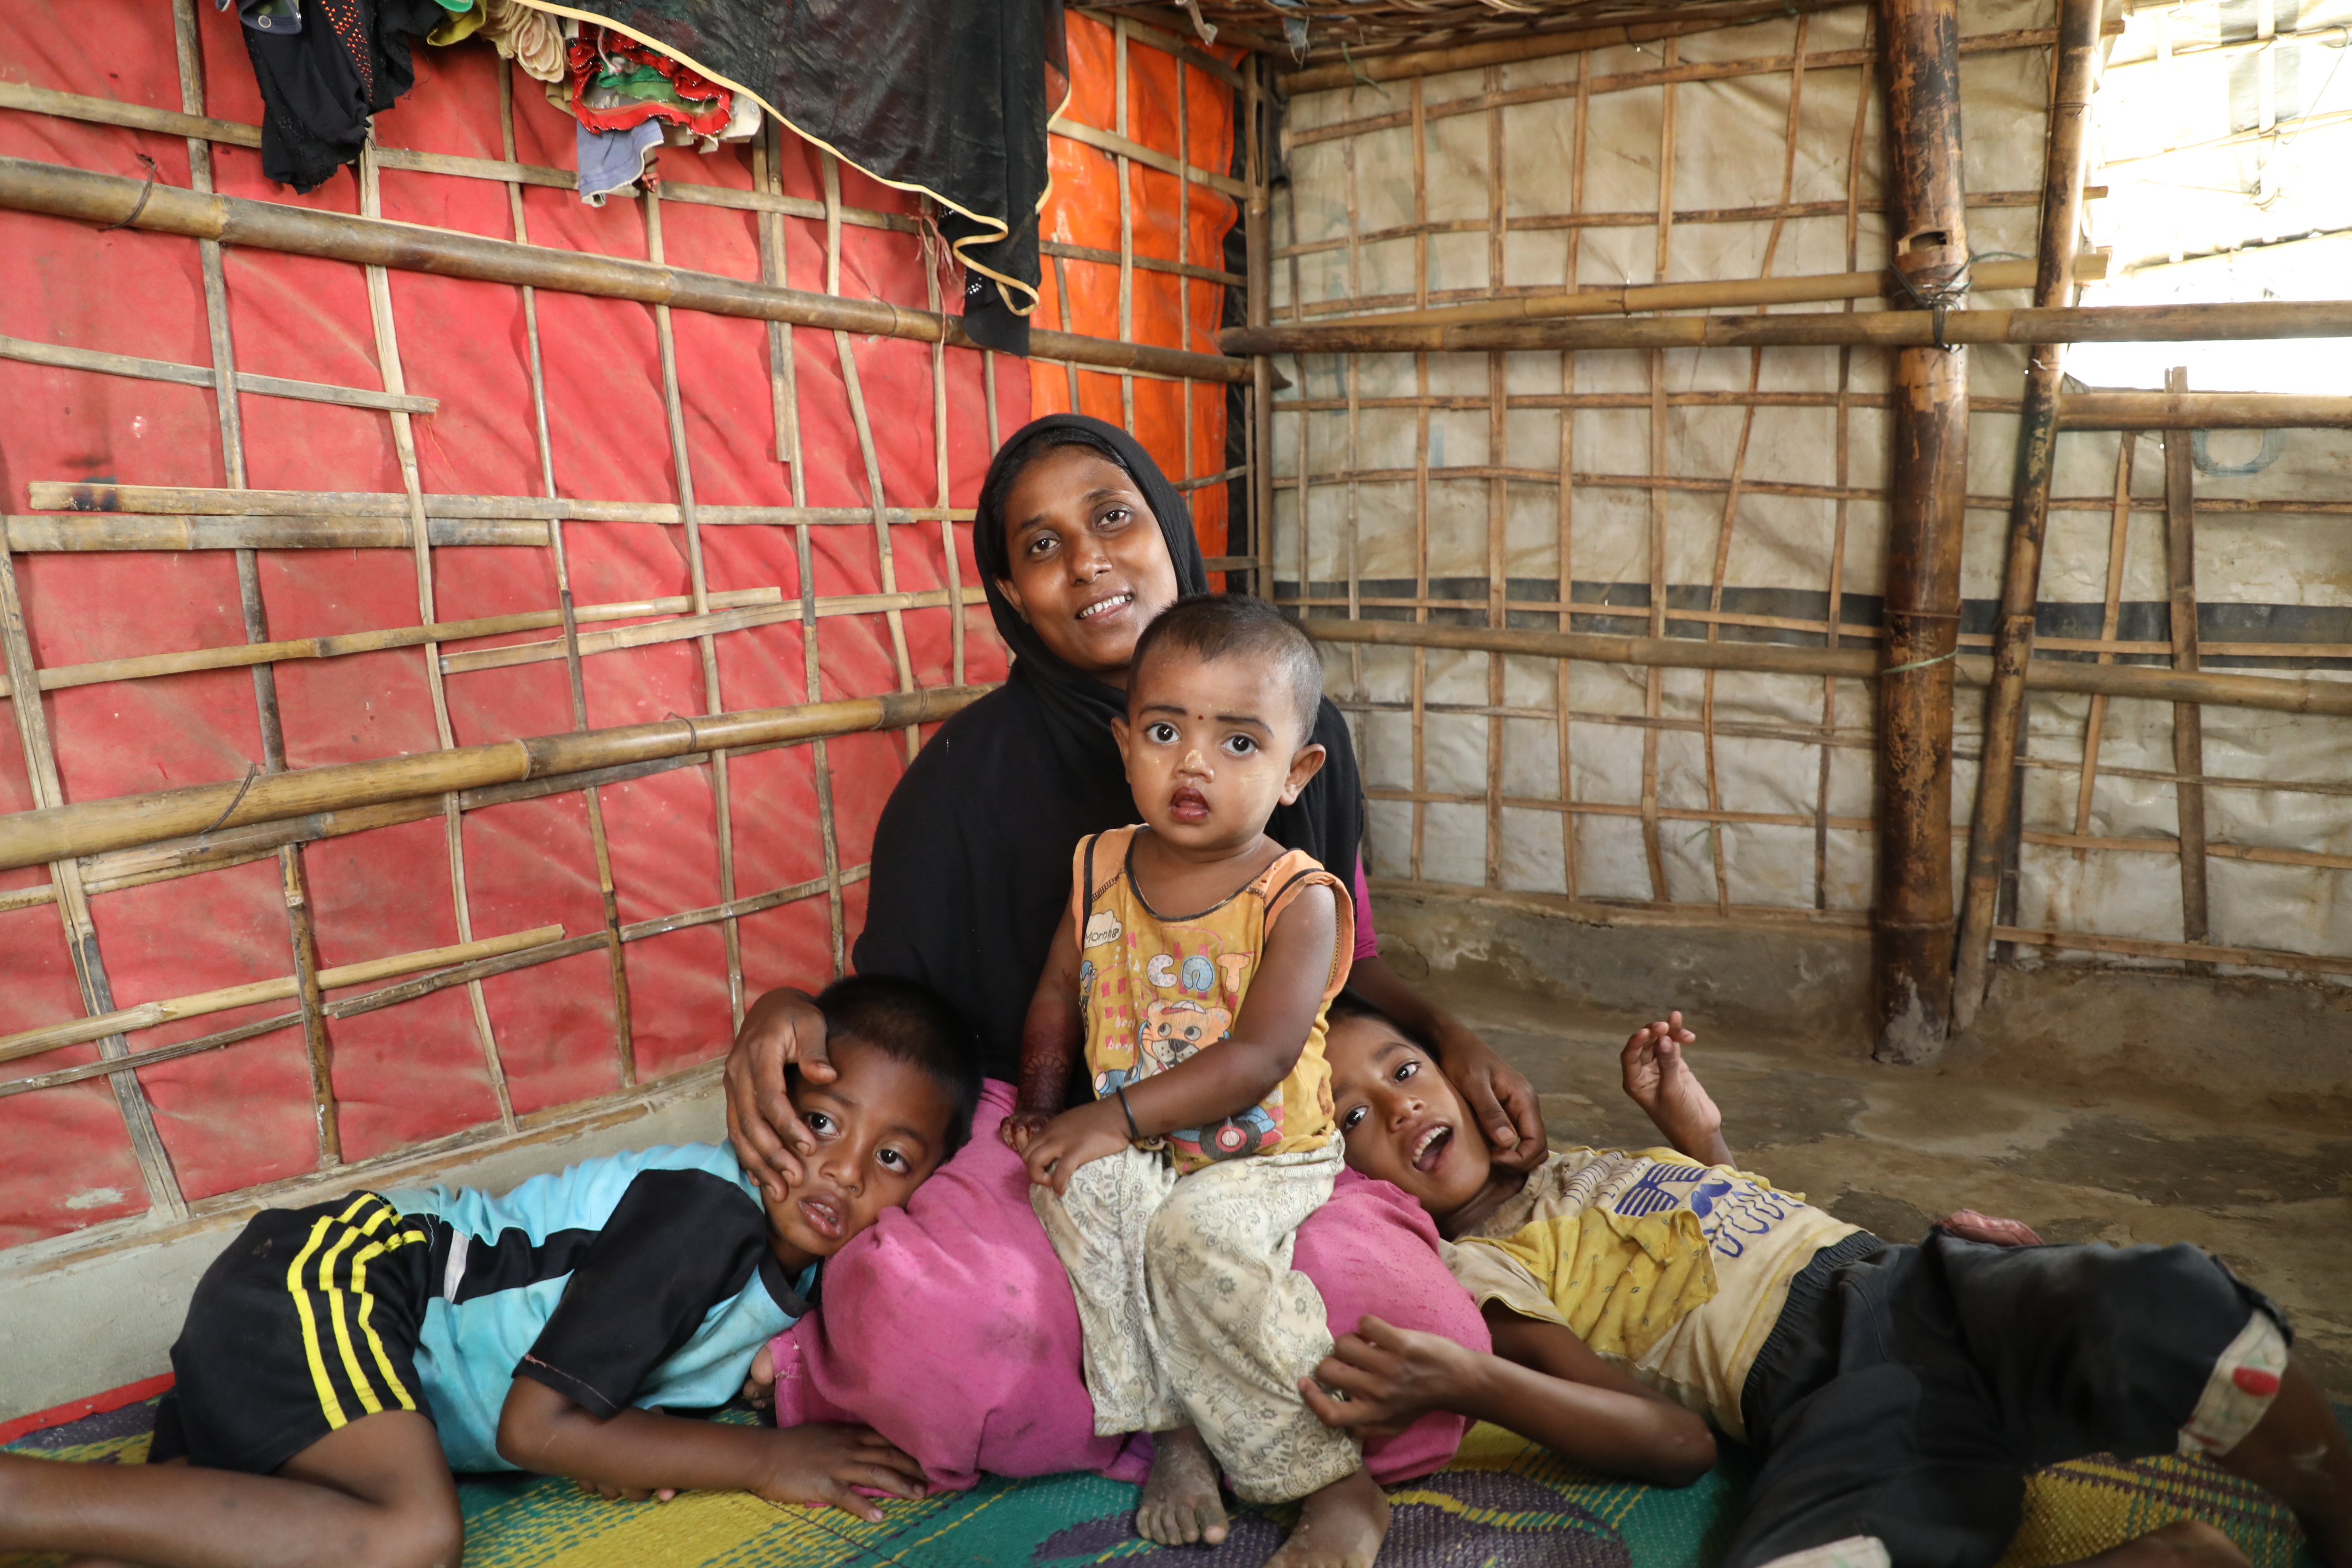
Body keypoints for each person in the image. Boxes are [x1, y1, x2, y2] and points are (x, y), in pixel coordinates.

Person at [719, 414, 1543, 1495]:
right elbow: (902, 1014)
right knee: (941, 1340)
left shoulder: (1305, 733)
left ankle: (1153, 1413)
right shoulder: (963, 781)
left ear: (1167, 528)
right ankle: (1196, 1426)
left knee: (1411, 1329)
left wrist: (1447, 1033)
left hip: (1251, 1122)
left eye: (1112, 516)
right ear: (1013, 595)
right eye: (1041, 544)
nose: (1088, 559)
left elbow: (1339, 960)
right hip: (1035, 1121)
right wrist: (789, 1006)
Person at [1305, 996, 2352, 1568]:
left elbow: (1742, 1228)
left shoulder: (1582, 1162)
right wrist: (1473, 1382)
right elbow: (1675, 1445)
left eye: (1402, 1071)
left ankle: (2336, 1510)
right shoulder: (1474, 1273)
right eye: (1349, 1116)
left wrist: (1696, 1134)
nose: (1394, 1109)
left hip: (1920, 1286)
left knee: (2164, 1303)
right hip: (1831, 1404)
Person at [0, 975, 979, 1568]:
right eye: (820, 1120)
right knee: (410, 1541)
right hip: (335, 1286)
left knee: (269, 1541)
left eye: (892, 1159)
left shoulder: (797, 1283)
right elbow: (539, 1426)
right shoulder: (705, 1214)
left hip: (360, 1387)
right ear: (769, 1098)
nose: (842, 1170)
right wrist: (767, 1462)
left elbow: (604, 1412)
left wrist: (640, 1446)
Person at [1004, 594, 1384, 1566]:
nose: (1195, 764)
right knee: (1077, 1190)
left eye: (1240, 743)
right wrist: (1047, 1111)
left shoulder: (1295, 899)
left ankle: (1333, 1479)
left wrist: (1110, 1113)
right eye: (1167, 731)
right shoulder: (1100, 866)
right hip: (1134, 1136)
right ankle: (1172, 1428)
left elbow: (1258, 1058)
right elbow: (1057, 988)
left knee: (1195, 1238)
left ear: (1299, 772)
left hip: (1261, 1152)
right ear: (1126, 741)